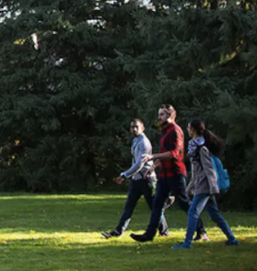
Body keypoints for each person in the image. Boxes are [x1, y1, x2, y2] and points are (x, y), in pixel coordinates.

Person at [130, 104, 208, 242]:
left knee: (184, 202)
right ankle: (149, 235)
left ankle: (201, 232)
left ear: (171, 116)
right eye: (159, 114)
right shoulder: (165, 131)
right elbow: (164, 153)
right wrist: (154, 165)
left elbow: (174, 153)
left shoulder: (175, 131)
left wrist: (153, 157)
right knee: (157, 203)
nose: (159, 117)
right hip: (164, 174)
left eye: (162, 114)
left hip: (175, 173)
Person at [173, 119, 239, 249]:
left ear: (192, 129)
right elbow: (195, 172)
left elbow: (210, 170)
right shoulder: (194, 147)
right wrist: (189, 188)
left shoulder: (201, 148)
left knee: (193, 212)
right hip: (202, 185)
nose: (187, 130)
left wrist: (214, 189)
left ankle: (187, 242)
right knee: (214, 215)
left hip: (205, 187)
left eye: (188, 127)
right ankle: (232, 239)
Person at [101, 118, 170, 238]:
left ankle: (163, 231)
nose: (133, 129)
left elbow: (139, 164)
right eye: (132, 127)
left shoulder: (144, 142)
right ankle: (118, 232)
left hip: (146, 179)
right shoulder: (135, 140)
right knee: (129, 206)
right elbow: (135, 162)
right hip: (136, 180)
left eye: (136, 127)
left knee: (154, 207)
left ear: (142, 128)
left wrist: (125, 175)